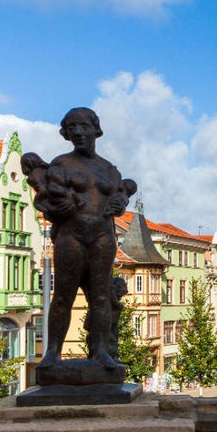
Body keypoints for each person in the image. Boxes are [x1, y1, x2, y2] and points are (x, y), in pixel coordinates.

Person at [22, 108, 136, 371]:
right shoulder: (61, 164)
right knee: (63, 296)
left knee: (101, 297)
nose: (78, 132)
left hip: (102, 237)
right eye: (72, 127)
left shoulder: (109, 169)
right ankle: (53, 353)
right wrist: (60, 205)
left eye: (84, 126)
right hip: (71, 236)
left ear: (96, 129)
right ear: (65, 132)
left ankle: (102, 352)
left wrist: (121, 201)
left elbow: (121, 193)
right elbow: (49, 197)